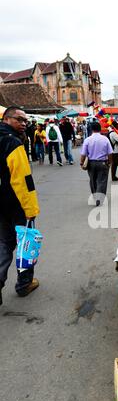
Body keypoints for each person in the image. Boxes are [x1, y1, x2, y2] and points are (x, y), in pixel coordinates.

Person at [0, 106, 40, 305]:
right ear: (7, 119)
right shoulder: (12, 142)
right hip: (15, 203)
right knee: (26, 243)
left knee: (4, 243)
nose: (24, 123)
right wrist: (30, 209)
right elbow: (23, 180)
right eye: (19, 119)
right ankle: (24, 284)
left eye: (25, 120)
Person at [80, 122, 113, 206]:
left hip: (91, 163)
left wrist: (81, 163)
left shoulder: (87, 139)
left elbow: (83, 154)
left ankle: (95, 196)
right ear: (100, 129)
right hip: (103, 163)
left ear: (91, 129)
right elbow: (110, 153)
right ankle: (99, 198)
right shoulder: (105, 139)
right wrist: (110, 162)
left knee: (93, 180)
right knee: (102, 181)